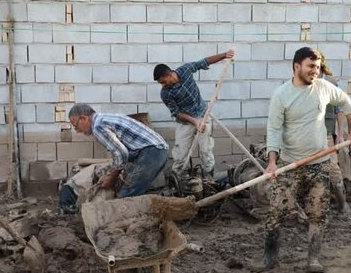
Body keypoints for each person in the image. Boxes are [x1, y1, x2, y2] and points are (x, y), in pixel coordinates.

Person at [256, 47, 351, 273]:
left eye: (317, 66)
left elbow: (345, 102)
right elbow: (274, 130)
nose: (315, 71)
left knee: (318, 212)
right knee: (276, 211)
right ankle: (269, 258)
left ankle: (313, 259)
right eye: (310, 66)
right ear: (296, 67)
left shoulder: (323, 88)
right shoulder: (281, 95)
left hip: (319, 163)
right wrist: (272, 161)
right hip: (289, 164)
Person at [154, 49, 235, 177]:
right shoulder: (165, 93)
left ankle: (210, 179)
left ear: (169, 75)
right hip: (185, 122)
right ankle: (177, 181)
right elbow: (176, 113)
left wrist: (224, 55)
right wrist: (195, 122)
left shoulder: (185, 70)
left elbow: (204, 62)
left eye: (163, 81)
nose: (162, 85)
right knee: (180, 154)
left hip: (203, 115)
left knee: (206, 151)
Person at [68, 104, 168, 198]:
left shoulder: (98, 127)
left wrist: (111, 179)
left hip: (152, 151)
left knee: (126, 197)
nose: (77, 131)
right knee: (134, 190)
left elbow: (121, 153)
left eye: (76, 126)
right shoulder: (103, 118)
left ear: (84, 118)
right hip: (157, 150)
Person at [320, 54, 350, 213]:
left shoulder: (331, 83)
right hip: (306, 134)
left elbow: (339, 109)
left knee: (332, 168)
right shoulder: (302, 82)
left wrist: (340, 133)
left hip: (326, 133)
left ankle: (342, 203)